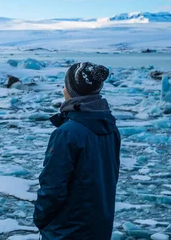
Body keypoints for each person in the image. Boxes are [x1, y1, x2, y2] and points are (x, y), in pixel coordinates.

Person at [34, 62, 121, 239]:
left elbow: (53, 187)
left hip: (66, 231)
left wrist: (41, 220)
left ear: (72, 91)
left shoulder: (67, 133)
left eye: (65, 85)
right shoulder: (111, 128)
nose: (63, 89)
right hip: (99, 227)